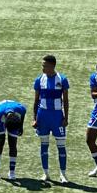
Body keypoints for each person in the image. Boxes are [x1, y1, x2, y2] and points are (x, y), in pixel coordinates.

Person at [33, 54, 69, 183]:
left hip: (57, 116)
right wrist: (34, 118)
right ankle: (46, 173)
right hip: (43, 116)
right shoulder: (39, 80)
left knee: (61, 146)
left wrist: (66, 117)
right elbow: (36, 100)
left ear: (52, 66)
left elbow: (66, 100)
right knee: (44, 145)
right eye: (42, 65)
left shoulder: (62, 79)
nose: (42, 68)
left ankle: (63, 174)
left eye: (45, 65)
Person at [0, 100, 27, 180]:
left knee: (13, 143)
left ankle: (12, 171)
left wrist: (21, 126)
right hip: (1, 113)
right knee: (0, 141)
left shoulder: (20, 109)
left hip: (12, 113)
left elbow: (23, 112)